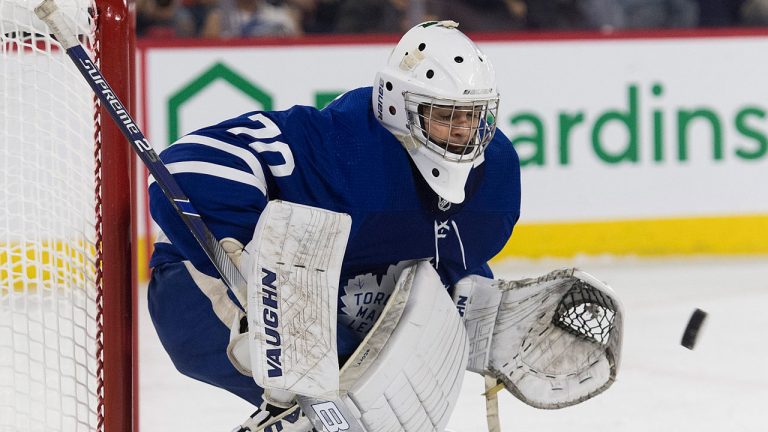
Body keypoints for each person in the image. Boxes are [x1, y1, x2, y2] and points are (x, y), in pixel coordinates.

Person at [147, 20, 520, 430]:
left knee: (370, 414)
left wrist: (484, 314)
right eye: (446, 116)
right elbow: (184, 165)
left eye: (474, 116)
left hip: (330, 309)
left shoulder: (495, 179)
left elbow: (444, 263)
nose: (465, 133)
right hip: (196, 283)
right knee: (340, 407)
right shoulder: (340, 150)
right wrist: (248, 263)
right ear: (396, 104)